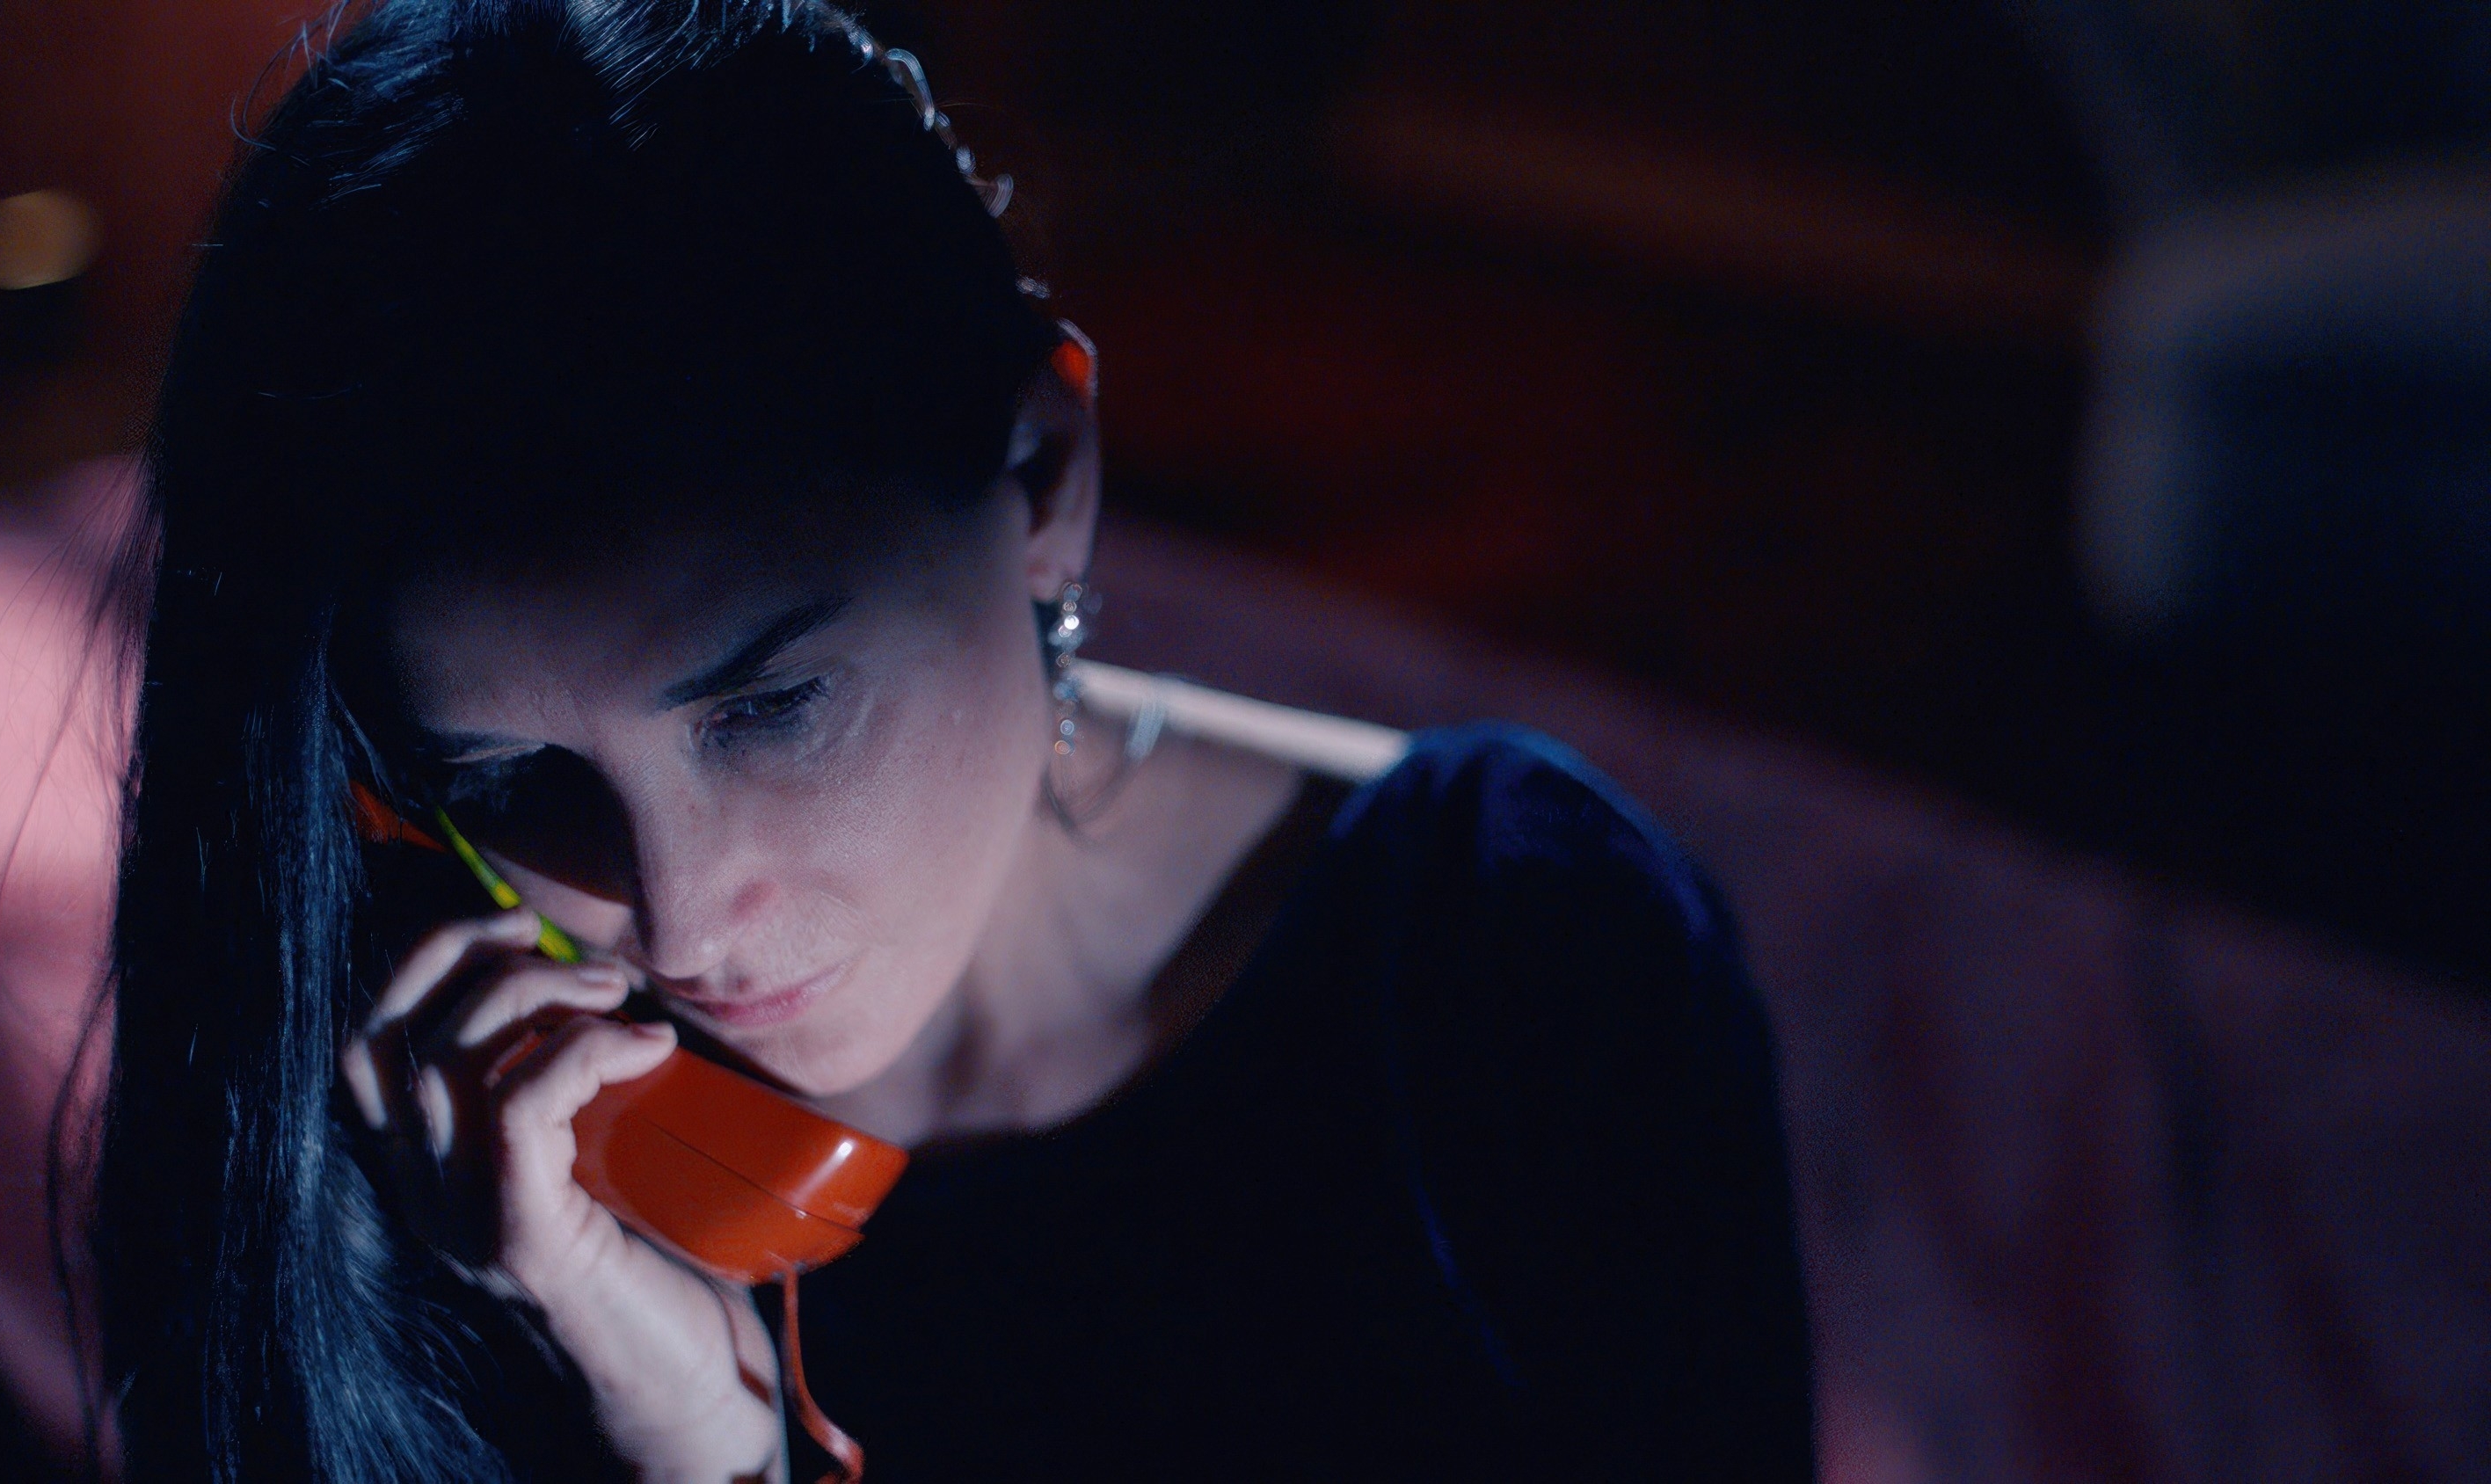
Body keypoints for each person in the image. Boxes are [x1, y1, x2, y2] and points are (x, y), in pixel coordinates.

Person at [91, 2, 1816, 1479]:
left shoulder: (1524, 950)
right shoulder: (435, 1140)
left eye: (773, 704)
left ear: (1044, 481)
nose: (679, 924)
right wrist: (698, 1449)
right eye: (502, 779)